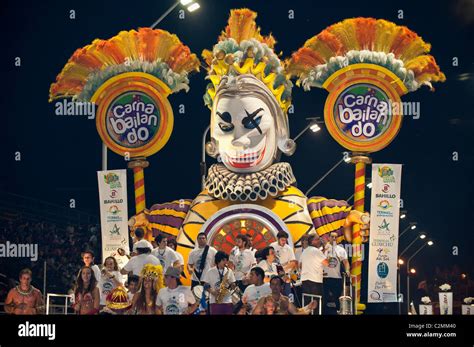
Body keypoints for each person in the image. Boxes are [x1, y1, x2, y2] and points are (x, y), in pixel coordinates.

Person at [252, 276, 316, 315]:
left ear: (281, 287)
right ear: (270, 286)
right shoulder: (264, 299)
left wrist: (309, 307)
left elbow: (296, 312)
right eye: (273, 284)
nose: (275, 286)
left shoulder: (285, 300)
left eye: (277, 284)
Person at [300, 234, 329, 313]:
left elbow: (300, 265)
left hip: (305, 280)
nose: (319, 241)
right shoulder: (316, 251)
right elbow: (327, 263)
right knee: (316, 303)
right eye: (317, 239)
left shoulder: (305, 250)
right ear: (312, 241)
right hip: (315, 281)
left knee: (307, 303)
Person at [323, 232, 350, 314]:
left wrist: (347, 270)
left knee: (338, 298)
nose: (334, 238)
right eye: (332, 237)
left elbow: (346, 262)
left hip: (337, 277)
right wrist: (325, 249)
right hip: (325, 277)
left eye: (336, 237)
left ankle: (339, 312)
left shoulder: (341, 250)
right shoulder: (324, 249)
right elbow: (320, 261)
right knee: (324, 299)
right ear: (329, 238)